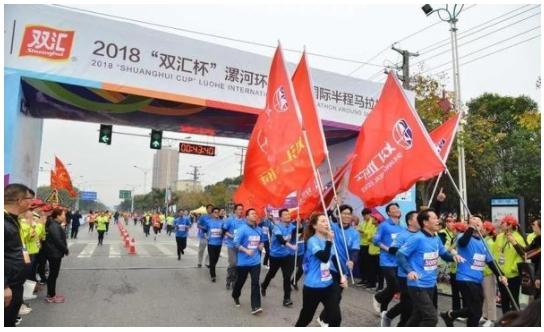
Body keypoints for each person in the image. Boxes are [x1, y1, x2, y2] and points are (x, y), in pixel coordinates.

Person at [396, 209, 464, 326]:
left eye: (437, 218)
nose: (438, 221)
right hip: (417, 285)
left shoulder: (436, 238)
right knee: (431, 318)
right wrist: (410, 271)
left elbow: (443, 254)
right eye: (434, 218)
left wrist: (454, 257)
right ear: (425, 222)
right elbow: (400, 254)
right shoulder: (417, 238)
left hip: (430, 284)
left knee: (418, 316)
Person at [440, 215, 508, 327]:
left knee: (475, 310)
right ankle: (452, 316)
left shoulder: (484, 242)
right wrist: (471, 228)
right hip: (465, 277)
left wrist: (501, 275)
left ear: (482, 226)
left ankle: (450, 315)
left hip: (477, 279)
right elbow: (462, 243)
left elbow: (491, 262)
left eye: (478, 221)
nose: (476, 222)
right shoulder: (463, 236)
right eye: (473, 221)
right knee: (475, 311)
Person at [295, 213, 348, 327]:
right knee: (306, 318)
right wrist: (329, 241)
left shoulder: (328, 239)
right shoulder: (312, 241)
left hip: (328, 285)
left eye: (327, 221)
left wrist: (343, 275)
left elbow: (334, 259)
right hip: (313, 286)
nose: (326, 224)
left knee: (335, 319)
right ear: (314, 226)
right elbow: (324, 258)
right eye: (323, 221)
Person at [319, 204, 360, 326]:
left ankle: (322, 318)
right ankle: (333, 323)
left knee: (337, 297)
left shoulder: (354, 233)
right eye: (344, 213)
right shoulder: (332, 227)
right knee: (335, 296)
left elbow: (355, 250)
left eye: (349, 213)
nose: (347, 215)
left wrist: (352, 260)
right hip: (331, 267)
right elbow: (325, 215)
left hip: (344, 270)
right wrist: (334, 203)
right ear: (339, 214)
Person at [380, 211, 419, 327]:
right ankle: (389, 315)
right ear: (410, 221)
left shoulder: (422, 234)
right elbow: (393, 249)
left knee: (414, 305)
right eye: (418, 218)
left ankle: (401, 324)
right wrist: (405, 250)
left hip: (420, 274)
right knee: (408, 303)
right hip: (404, 274)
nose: (422, 220)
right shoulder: (403, 235)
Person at [4, 184, 35, 327]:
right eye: (29, 199)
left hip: (16, 283)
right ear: (19, 200)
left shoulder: (13, 219)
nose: (31, 203)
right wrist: (4, 286)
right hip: (8, 286)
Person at [261, 208, 297, 307]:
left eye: (288, 214)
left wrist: (300, 224)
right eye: (285, 215)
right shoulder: (276, 227)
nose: (288, 216)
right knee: (271, 274)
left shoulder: (291, 226)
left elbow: (299, 231)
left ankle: (286, 299)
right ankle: (264, 285)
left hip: (286, 256)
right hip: (275, 256)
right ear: (280, 217)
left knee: (286, 277)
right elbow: (281, 240)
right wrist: (292, 246)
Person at [232, 208, 265, 315]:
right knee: (240, 282)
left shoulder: (259, 229)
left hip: (255, 262)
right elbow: (235, 244)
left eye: (255, 213)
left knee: (255, 283)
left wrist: (261, 246)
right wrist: (246, 250)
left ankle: (256, 306)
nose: (255, 215)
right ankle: (235, 295)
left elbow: (261, 241)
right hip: (243, 263)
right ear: (247, 217)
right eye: (252, 213)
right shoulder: (242, 229)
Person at [372, 203, 403, 314]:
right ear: (389, 213)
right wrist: (388, 249)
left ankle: (383, 309)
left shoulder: (402, 227)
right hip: (386, 261)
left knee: (393, 288)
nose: (396, 210)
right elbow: (375, 241)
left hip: (398, 262)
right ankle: (378, 297)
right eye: (393, 208)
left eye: (397, 208)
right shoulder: (384, 225)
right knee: (394, 285)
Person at [493, 215, 526, 314]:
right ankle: (504, 322)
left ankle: (516, 323)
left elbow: (522, 256)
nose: (500, 224)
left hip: (513, 276)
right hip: (501, 274)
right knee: (504, 300)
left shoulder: (518, 238)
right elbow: (495, 253)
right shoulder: (499, 237)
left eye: (503, 222)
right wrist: (498, 269)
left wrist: (512, 269)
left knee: (513, 300)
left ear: (510, 225)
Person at [43, 208, 69, 303]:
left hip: (54, 253)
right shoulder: (54, 226)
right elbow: (58, 241)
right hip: (54, 253)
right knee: (53, 275)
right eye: (63, 215)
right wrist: (65, 250)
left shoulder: (55, 224)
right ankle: (51, 296)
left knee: (54, 275)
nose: (64, 217)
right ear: (57, 216)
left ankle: (52, 294)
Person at [438, 216, 463, 313]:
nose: (451, 223)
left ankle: (462, 312)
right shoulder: (443, 233)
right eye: (448, 221)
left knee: (461, 291)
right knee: (455, 291)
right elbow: (445, 250)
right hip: (449, 266)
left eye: (453, 221)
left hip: (459, 268)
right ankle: (456, 310)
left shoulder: (460, 238)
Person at [223, 203, 246, 290]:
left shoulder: (244, 221)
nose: (241, 211)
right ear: (235, 210)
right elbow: (224, 231)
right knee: (233, 263)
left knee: (238, 264)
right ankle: (229, 279)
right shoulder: (230, 220)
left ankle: (234, 281)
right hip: (231, 245)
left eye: (242, 209)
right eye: (239, 209)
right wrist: (231, 236)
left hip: (241, 247)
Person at [481, 221, 498, 326]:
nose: (480, 230)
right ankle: (485, 315)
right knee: (485, 295)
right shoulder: (485, 240)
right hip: (483, 272)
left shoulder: (490, 242)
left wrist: (486, 270)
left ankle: (491, 318)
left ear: (487, 230)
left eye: (482, 229)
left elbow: (491, 260)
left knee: (490, 295)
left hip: (488, 273)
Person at [204, 207, 225, 282]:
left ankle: (212, 266)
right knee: (212, 258)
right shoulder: (208, 222)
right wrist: (205, 235)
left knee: (216, 258)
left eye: (217, 212)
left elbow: (225, 231)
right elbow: (204, 230)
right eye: (215, 212)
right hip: (211, 243)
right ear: (212, 213)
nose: (216, 213)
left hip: (219, 243)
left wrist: (222, 233)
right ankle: (213, 275)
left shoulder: (222, 222)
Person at [356, 208, 372, 287]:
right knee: (362, 263)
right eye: (364, 215)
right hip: (361, 245)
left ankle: (369, 280)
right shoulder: (362, 223)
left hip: (369, 245)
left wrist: (363, 232)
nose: (366, 216)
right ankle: (363, 279)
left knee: (368, 264)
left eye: (367, 214)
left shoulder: (372, 222)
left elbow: (370, 233)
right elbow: (358, 230)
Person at [291, 215, 306, 290]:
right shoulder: (291, 225)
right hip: (292, 252)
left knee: (301, 269)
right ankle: (287, 284)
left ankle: (294, 281)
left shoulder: (305, 223)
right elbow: (298, 230)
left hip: (301, 252)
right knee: (290, 269)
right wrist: (298, 223)